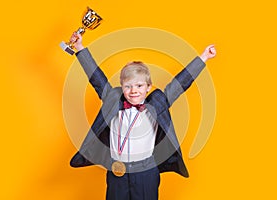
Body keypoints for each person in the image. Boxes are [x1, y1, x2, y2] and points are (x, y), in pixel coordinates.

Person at [69, 32, 216, 200]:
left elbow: (180, 84)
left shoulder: (158, 102)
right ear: (121, 87)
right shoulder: (112, 100)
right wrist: (80, 47)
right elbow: (96, 78)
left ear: (148, 87)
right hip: (117, 170)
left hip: (146, 172)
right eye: (128, 86)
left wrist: (204, 57)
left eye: (139, 85)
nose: (133, 91)